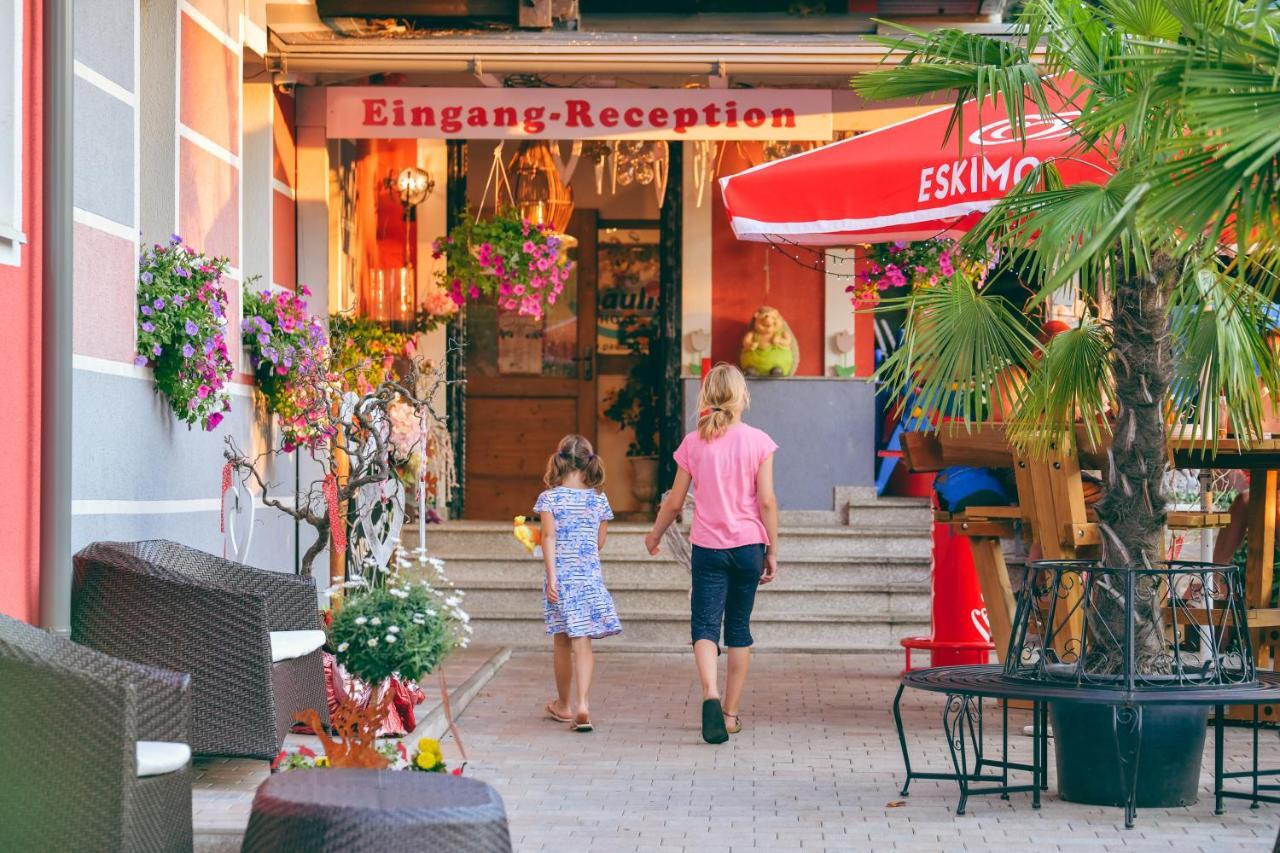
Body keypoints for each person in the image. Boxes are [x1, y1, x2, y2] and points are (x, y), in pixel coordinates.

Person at [644, 363, 779, 744]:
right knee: (738, 629)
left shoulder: (693, 443)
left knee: (704, 626)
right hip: (749, 545)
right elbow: (767, 501)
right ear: (742, 397)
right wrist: (772, 550)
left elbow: (673, 502)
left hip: (707, 548)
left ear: (706, 397)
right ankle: (731, 715)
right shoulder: (759, 442)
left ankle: (710, 694)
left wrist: (655, 536)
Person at [536, 434, 621, 733]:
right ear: (588, 462)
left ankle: (564, 705)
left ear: (559, 460)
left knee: (562, 640)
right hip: (589, 578)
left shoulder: (550, 498)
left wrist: (552, 576)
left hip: (562, 578)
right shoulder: (598, 498)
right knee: (583, 642)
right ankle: (583, 704)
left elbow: (548, 538)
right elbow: (599, 543)